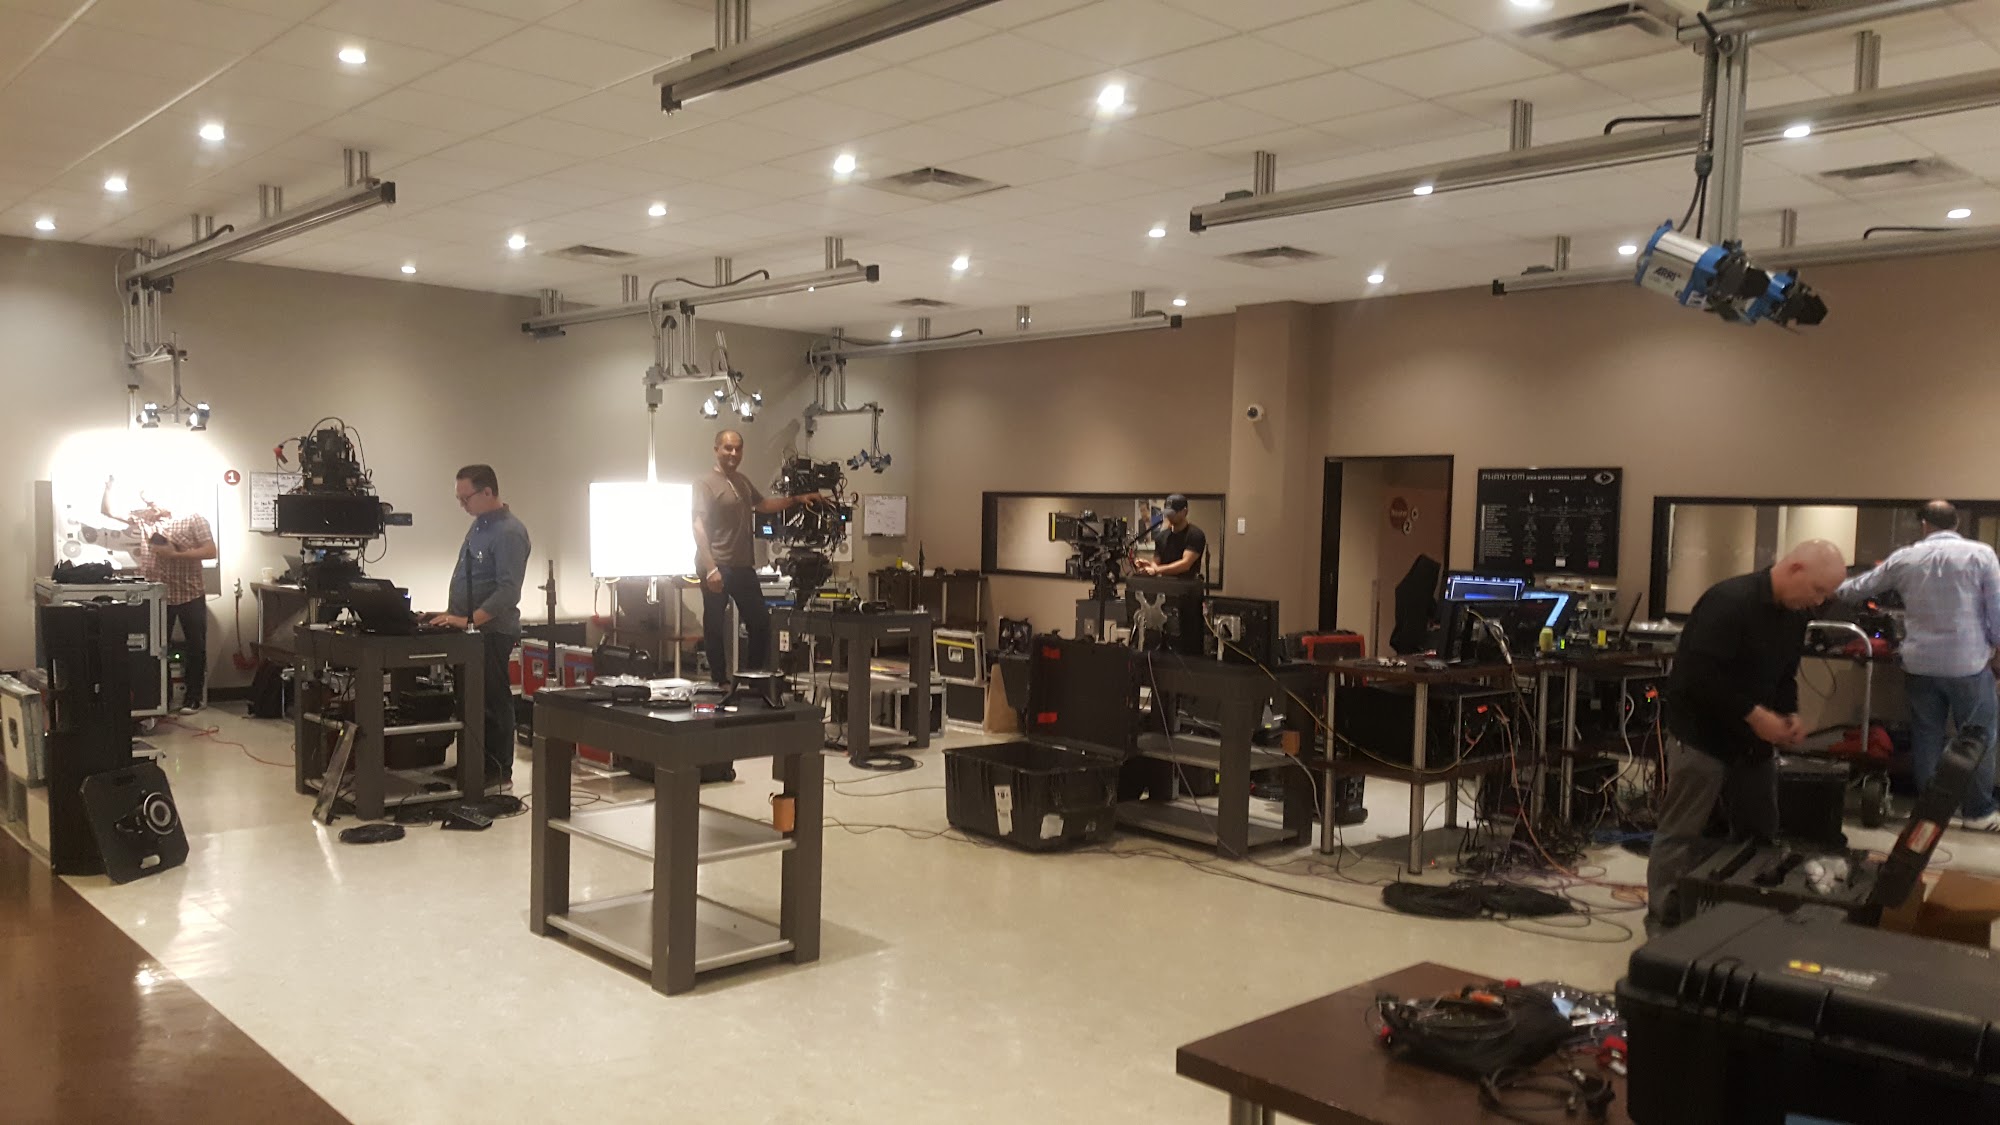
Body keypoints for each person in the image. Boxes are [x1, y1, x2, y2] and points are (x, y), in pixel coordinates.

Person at [1646, 539, 1847, 933]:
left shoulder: (1795, 616)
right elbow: (1698, 677)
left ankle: (1743, 917)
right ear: (1795, 569)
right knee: (1682, 833)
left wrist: (1789, 715)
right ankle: (1663, 922)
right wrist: (1754, 715)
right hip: (1702, 735)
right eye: (1817, 590)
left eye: (1826, 595)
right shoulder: (1728, 602)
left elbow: (1784, 675)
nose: (1818, 601)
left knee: (1759, 833)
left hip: (1753, 744)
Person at [1837, 501, 2000, 830]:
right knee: (1977, 738)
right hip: (1968, 663)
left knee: (1928, 738)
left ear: (1924, 524)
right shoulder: (1981, 554)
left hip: (1920, 663)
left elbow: (1855, 590)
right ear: (1956, 523)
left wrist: (1827, 585)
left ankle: (1931, 814)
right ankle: (1978, 813)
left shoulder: (1905, 558)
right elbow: (1996, 609)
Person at [693, 430, 824, 682]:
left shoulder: (741, 481)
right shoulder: (704, 483)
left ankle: (752, 678)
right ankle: (719, 680)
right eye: (728, 448)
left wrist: (797, 499)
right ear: (716, 449)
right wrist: (711, 569)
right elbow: (697, 526)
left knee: (760, 623)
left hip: (742, 566)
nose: (733, 453)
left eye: (738, 448)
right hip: (717, 564)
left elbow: (763, 505)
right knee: (715, 625)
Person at [430, 465, 530, 792]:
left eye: (466, 498)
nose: (463, 505)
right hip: (469, 632)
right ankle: (472, 763)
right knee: (469, 701)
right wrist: (451, 614)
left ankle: (498, 770)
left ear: (488, 492)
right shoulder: (479, 526)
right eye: (459, 499)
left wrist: (470, 619)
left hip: (492, 632)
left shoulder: (509, 533)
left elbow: (508, 591)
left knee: (492, 701)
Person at [102, 477, 216, 714]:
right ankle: (161, 699)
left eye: (153, 502)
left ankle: (194, 698)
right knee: (156, 648)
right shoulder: (145, 517)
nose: (150, 506)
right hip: (157, 594)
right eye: (147, 502)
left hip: (190, 592)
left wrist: (176, 555)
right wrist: (108, 488)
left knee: (196, 647)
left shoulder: (193, 518)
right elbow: (108, 512)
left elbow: (210, 551)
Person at [1134, 494, 1207, 579]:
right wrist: (1149, 566)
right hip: (1165, 584)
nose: (1169, 516)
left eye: (1173, 513)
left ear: (1184, 512)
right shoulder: (1161, 536)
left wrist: (1157, 570)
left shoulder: (1195, 535)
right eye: (1167, 513)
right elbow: (1156, 562)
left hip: (1187, 584)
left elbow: (1185, 565)